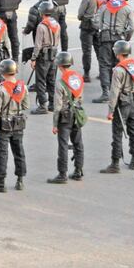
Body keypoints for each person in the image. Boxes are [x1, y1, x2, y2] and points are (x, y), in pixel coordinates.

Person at [101, 41, 134, 173]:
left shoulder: (118, 70)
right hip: (132, 100)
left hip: (122, 102)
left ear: (117, 52)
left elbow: (114, 92)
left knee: (117, 133)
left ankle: (115, 163)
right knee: (133, 130)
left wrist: (110, 110)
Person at [0, 59, 28, 192]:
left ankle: (1, 182)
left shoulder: (1, 88)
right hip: (18, 123)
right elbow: (26, 105)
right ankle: (20, 180)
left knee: (3, 154)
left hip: (4, 124)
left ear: (3, 72)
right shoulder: (22, 86)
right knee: (19, 152)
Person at [92, 0, 134, 104]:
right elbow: (132, 27)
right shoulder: (127, 8)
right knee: (119, 65)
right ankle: (119, 90)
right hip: (119, 39)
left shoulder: (104, 6)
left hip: (105, 38)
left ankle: (106, 92)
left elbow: (96, 23)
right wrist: (126, 38)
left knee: (104, 65)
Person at [50, 51, 85, 183]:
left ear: (59, 66)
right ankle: (78, 170)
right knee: (78, 143)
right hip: (77, 112)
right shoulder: (78, 77)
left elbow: (57, 106)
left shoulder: (60, 82)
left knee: (63, 144)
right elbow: (80, 97)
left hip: (65, 116)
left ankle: (62, 174)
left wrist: (54, 124)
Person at [30, 0, 60, 114]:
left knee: (41, 81)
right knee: (51, 80)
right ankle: (52, 103)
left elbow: (38, 45)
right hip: (53, 54)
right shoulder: (56, 24)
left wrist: (33, 58)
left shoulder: (41, 26)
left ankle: (43, 105)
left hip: (43, 56)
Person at [77, 0, 106, 82]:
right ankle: (103, 72)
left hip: (87, 25)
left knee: (87, 51)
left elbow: (80, 14)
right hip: (99, 25)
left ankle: (87, 74)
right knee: (99, 50)